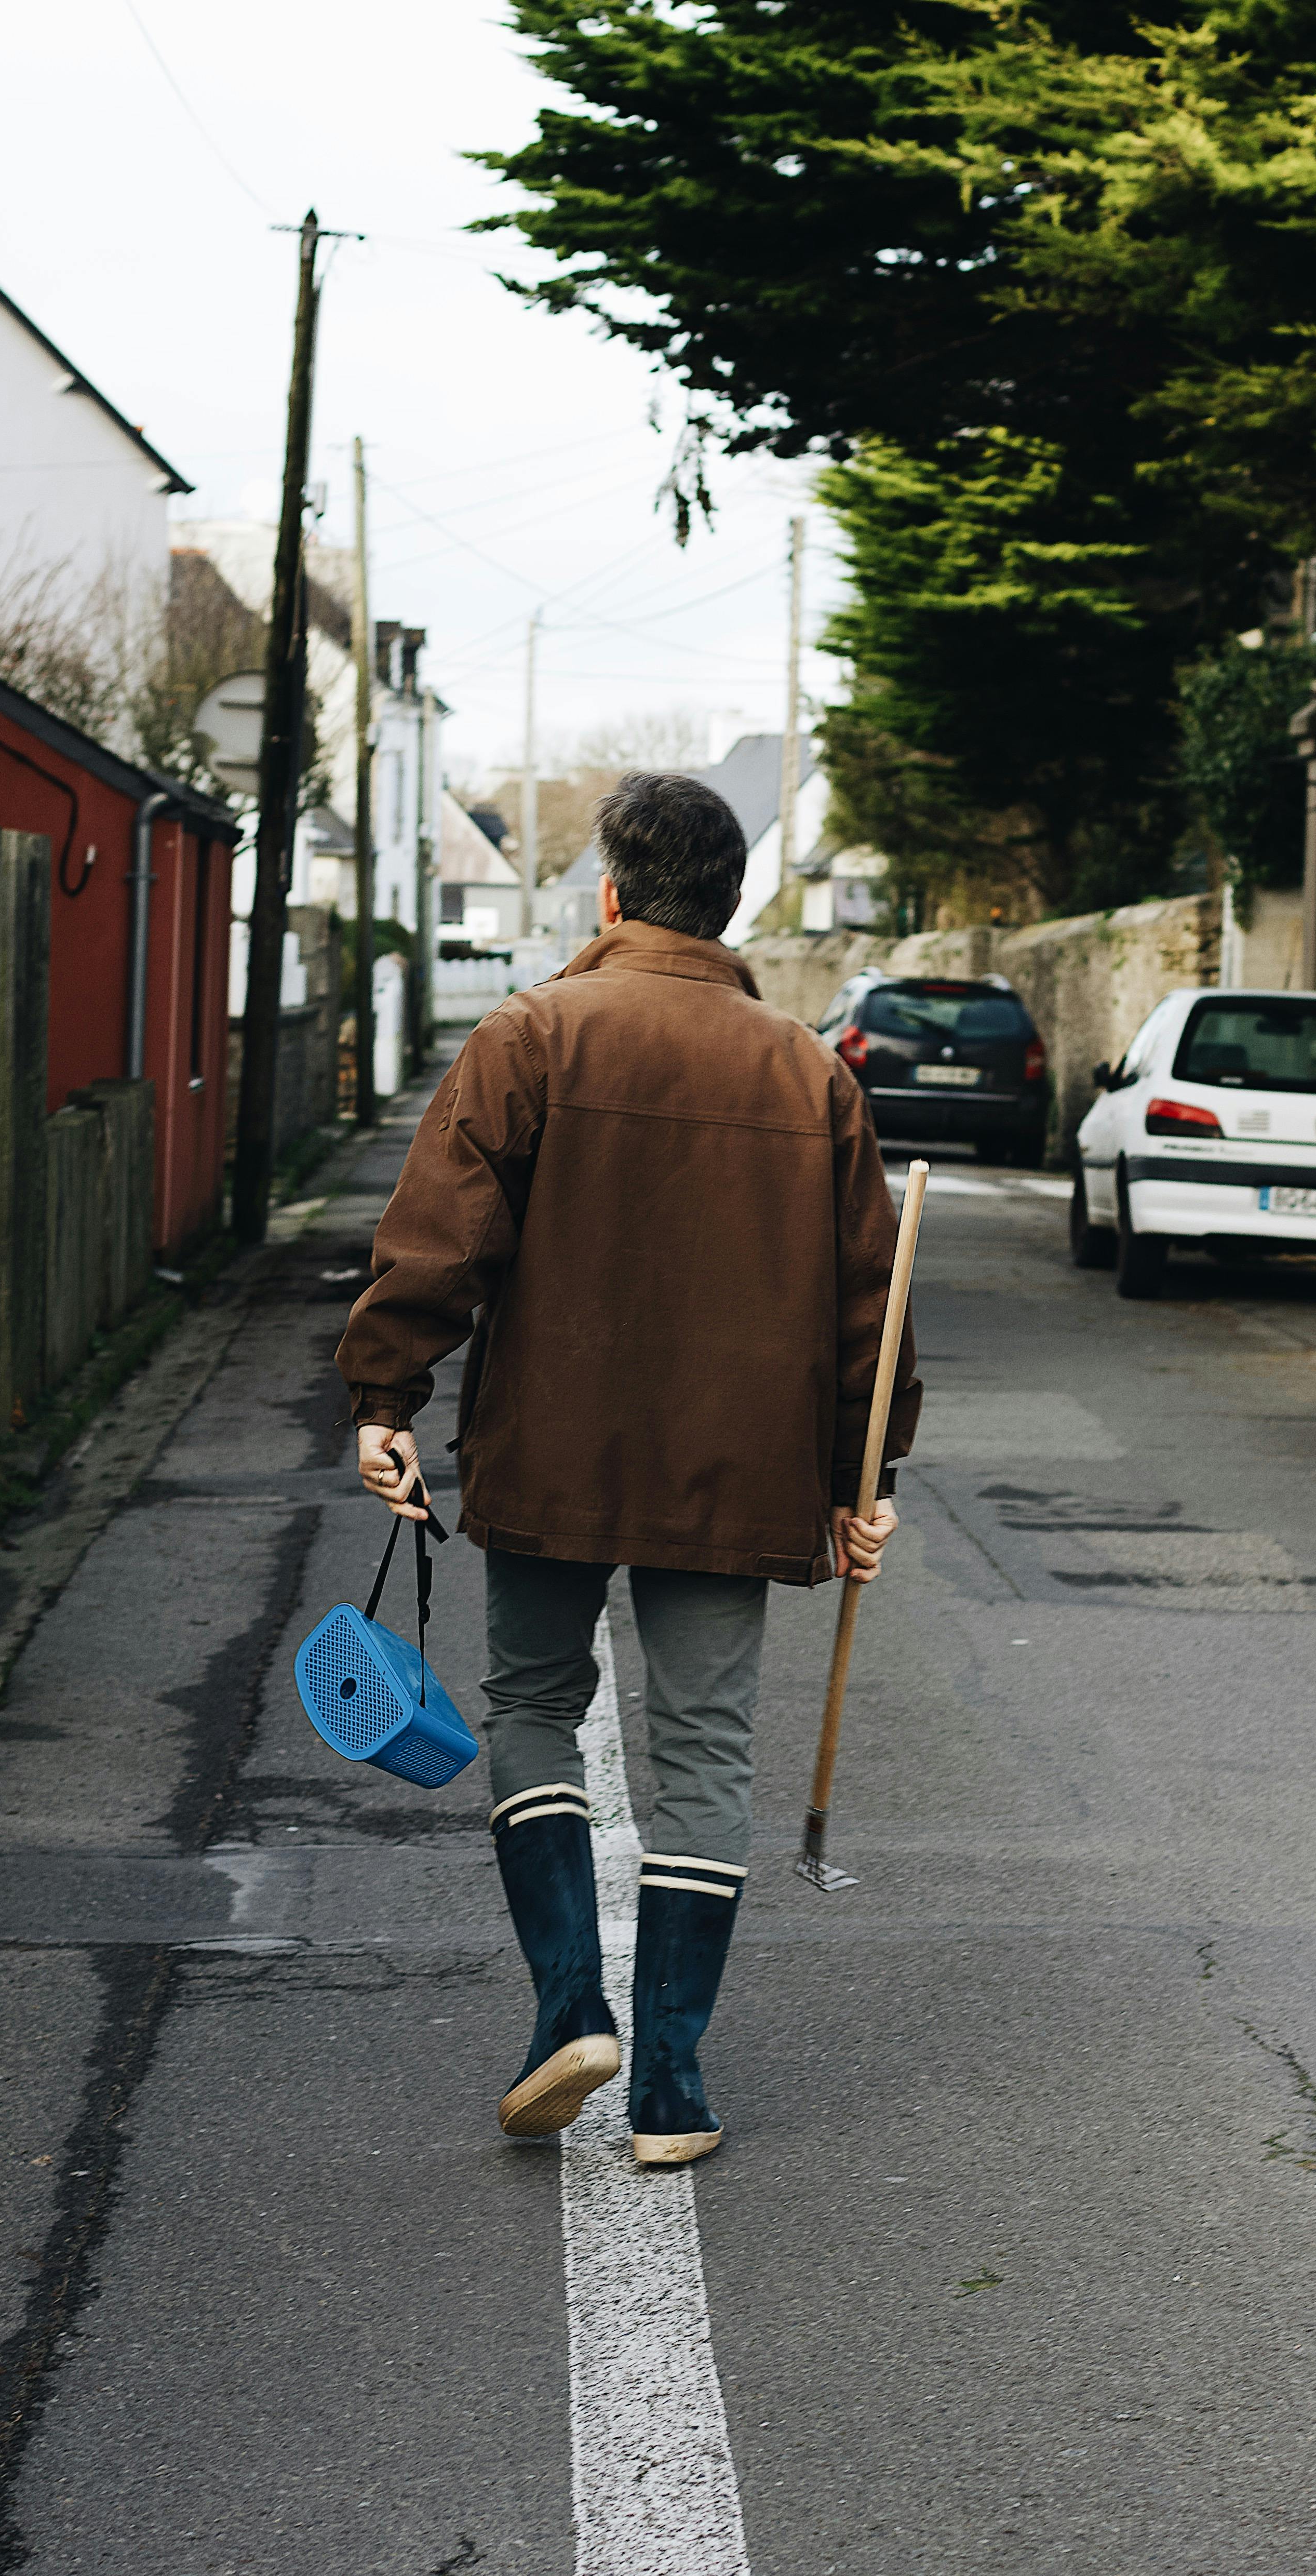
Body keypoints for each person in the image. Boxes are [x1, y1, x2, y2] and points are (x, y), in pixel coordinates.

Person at [337, 770, 921, 2164]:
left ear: (609, 896)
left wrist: (384, 1395)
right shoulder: (807, 1074)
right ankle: (670, 2083)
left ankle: (567, 2016)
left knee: (535, 1703)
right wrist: (865, 1474)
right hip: (740, 1468)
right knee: (706, 1749)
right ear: (730, 907)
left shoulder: (533, 1034)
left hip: (557, 1445)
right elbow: (869, 1310)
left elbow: (441, 1236)